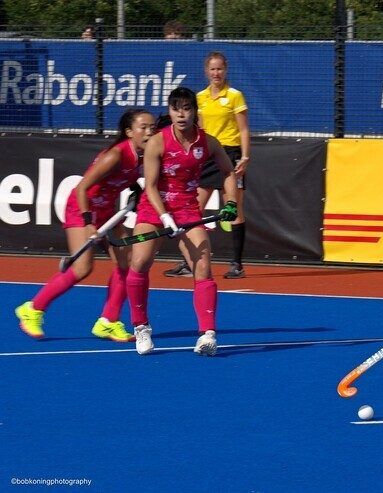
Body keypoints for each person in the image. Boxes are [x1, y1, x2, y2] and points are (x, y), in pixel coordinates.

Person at [15, 109, 156, 342]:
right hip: (82, 208)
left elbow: (131, 179)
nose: (149, 131)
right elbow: (82, 188)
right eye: (143, 127)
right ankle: (32, 309)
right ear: (130, 132)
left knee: (128, 263)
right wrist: (89, 222)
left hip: (109, 210)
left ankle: (108, 322)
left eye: (152, 127)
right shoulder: (115, 155)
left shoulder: (145, 155)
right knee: (82, 268)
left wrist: (136, 189)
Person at [127, 87, 238, 356]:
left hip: (187, 208)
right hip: (154, 208)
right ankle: (141, 327)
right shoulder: (157, 142)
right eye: (176, 108)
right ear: (170, 111)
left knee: (203, 265)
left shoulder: (209, 143)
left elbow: (228, 172)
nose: (181, 114)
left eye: (187, 108)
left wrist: (231, 201)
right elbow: (150, 187)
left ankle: (207, 334)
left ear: (194, 112)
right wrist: (165, 217)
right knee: (140, 262)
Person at [164, 51, 250, 279]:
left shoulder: (234, 96)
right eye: (212, 69)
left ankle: (237, 264)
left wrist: (245, 157)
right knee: (194, 209)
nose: (216, 73)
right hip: (207, 156)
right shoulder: (199, 98)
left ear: (226, 69)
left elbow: (243, 129)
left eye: (220, 68)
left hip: (230, 155)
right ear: (206, 71)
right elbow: (197, 130)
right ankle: (187, 261)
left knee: (234, 209)